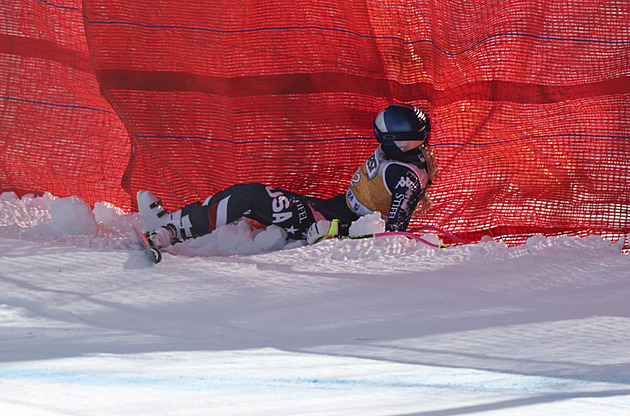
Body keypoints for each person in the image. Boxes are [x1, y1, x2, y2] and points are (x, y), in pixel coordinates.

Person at [138, 103, 437, 248]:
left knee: (250, 197)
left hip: (329, 223)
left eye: (381, 136)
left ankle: (170, 234)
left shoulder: (405, 178)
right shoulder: (405, 153)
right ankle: (173, 220)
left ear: (395, 140)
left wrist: (337, 233)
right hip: (333, 207)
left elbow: (395, 235)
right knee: (251, 194)